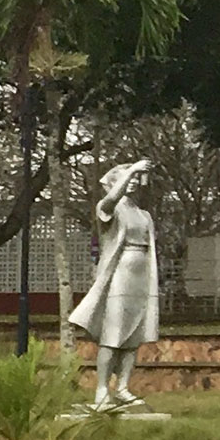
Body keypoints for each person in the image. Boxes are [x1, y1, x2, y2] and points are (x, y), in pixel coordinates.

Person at [69, 159, 160, 409]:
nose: (130, 183)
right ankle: (101, 389)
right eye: (124, 179)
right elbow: (110, 200)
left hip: (140, 278)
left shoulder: (144, 215)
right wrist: (131, 170)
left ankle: (122, 387)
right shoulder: (108, 208)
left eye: (132, 179)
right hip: (119, 275)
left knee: (133, 336)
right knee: (112, 334)